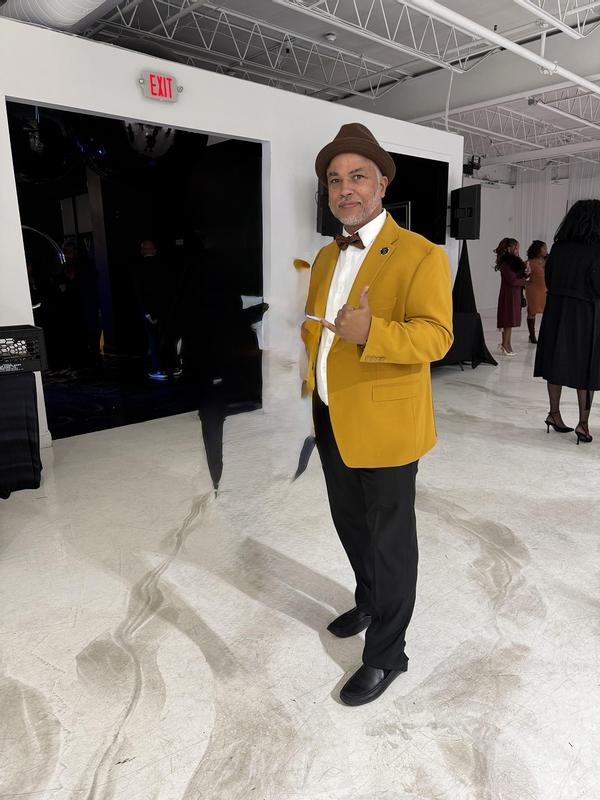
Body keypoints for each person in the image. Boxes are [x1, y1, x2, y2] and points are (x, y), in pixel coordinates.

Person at [301, 123, 453, 706]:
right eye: (335, 179)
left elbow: (438, 337)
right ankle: (368, 600)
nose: (345, 189)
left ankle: (388, 655)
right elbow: (320, 328)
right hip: (331, 414)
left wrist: (374, 332)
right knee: (349, 523)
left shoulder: (420, 254)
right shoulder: (324, 256)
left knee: (390, 542)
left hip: (387, 424)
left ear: (382, 183)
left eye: (357, 176)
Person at [534, 199, 600, 444]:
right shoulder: (596, 248)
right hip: (585, 313)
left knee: (555, 361)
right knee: (586, 367)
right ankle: (583, 424)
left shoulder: (558, 247)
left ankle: (554, 413)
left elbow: (549, 279)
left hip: (556, 312)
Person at [135, 239, 179, 380]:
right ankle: (174, 366)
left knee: (154, 340)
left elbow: (141, 293)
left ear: (143, 251)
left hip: (151, 310)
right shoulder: (165, 266)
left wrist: (147, 312)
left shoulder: (140, 268)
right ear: (154, 250)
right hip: (166, 309)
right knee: (168, 338)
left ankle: (160, 369)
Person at [494, 237, 528, 356]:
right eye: (516, 248)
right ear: (509, 248)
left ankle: (507, 344)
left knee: (510, 321)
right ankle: (505, 345)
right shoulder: (506, 263)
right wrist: (525, 281)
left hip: (515, 294)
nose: (518, 250)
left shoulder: (514, 262)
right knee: (508, 321)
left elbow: (518, 276)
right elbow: (512, 280)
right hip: (508, 295)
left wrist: (526, 273)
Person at [525, 240, 548, 344]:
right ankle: (532, 336)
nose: (546, 250)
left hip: (546, 290)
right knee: (532, 312)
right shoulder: (530, 262)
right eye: (544, 248)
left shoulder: (548, 260)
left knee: (547, 312)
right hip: (534, 290)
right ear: (538, 249)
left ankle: (545, 335)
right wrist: (525, 281)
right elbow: (523, 275)